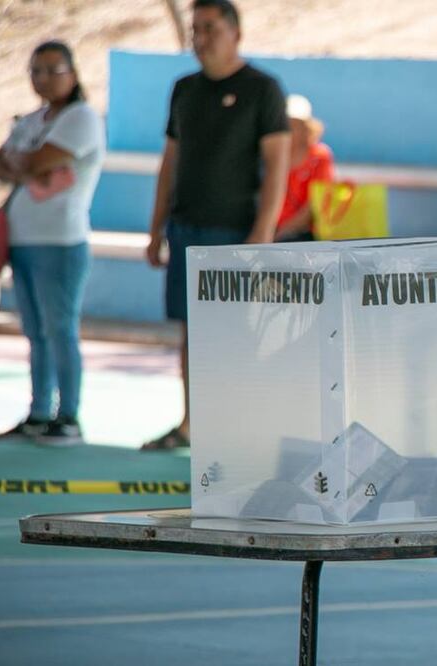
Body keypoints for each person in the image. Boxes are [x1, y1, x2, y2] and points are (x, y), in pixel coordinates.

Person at [142, 0, 290, 450]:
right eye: (195, 29)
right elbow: (170, 161)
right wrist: (156, 227)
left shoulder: (263, 89)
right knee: (191, 333)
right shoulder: (183, 89)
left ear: (235, 33)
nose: (200, 38)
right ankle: (191, 425)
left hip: (237, 233)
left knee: (239, 334)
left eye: (210, 28)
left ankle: (243, 428)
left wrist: (262, 233)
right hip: (186, 230)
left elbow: (277, 166)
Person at [0, 41, 105, 445]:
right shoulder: (33, 119)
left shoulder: (81, 118)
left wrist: (25, 160)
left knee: (60, 328)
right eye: (36, 70)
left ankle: (68, 415)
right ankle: (39, 412)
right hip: (23, 241)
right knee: (35, 331)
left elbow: (32, 162)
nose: (44, 78)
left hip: (61, 241)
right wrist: (27, 160)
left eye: (54, 69)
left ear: (73, 73)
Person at [274, 94, 335, 242]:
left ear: (306, 127)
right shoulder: (271, 153)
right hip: (269, 230)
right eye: (285, 123)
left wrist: (281, 233)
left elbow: (316, 202)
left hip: (300, 236)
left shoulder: (319, 155)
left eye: (295, 124)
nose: (289, 129)